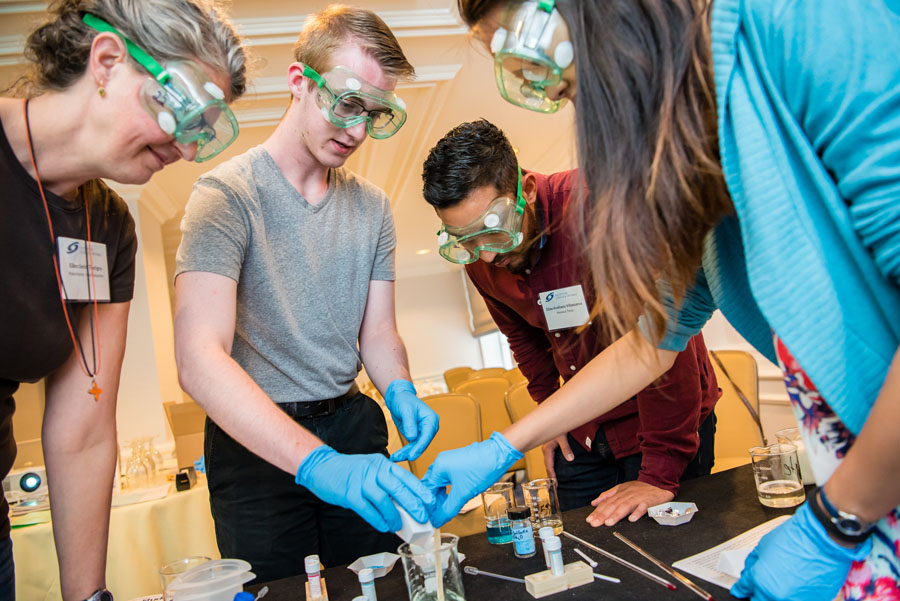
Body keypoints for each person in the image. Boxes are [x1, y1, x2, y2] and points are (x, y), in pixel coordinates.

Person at [420, 1, 900, 600]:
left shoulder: (798, 22)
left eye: (545, 67)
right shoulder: (692, 160)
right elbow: (647, 346)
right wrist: (504, 446)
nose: (572, 107)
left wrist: (833, 524)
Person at [174, 5, 438, 583]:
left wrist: (399, 388)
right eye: (348, 104)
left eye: (375, 113)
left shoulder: (373, 207)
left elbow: (378, 332)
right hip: (255, 443)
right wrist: (314, 461)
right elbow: (198, 359)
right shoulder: (225, 196)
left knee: (377, 584)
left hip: (354, 428)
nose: (358, 131)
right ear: (300, 81)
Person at [0, 0, 247, 599]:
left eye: (203, 130)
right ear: (108, 60)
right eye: (184, 111)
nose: (188, 150)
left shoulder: (108, 227)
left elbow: (83, 429)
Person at [421, 118, 720, 525]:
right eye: (466, 240)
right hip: (585, 429)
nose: (486, 255)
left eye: (493, 230)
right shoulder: (481, 260)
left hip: (662, 427)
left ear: (526, 191)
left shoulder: (602, 208)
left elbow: (664, 346)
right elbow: (524, 341)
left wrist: (659, 472)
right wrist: (550, 420)